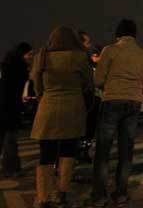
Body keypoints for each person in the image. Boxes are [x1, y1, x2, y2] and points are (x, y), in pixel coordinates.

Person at [88, 19, 143, 207]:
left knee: (103, 150)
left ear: (118, 34)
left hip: (112, 101)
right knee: (126, 151)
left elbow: (98, 80)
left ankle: (99, 196)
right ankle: (121, 194)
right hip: (133, 104)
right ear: (135, 34)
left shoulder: (110, 50)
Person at [30, 27, 93, 208]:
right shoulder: (79, 57)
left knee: (46, 155)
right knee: (68, 152)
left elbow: (37, 88)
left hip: (47, 108)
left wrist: (46, 98)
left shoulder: (41, 57)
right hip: (72, 109)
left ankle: (43, 197)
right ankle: (62, 193)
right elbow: (89, 85)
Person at [0, 42, 33, 177]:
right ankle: (11, 169)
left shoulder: (6, 66)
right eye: (29, 54)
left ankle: (12, 167)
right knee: (10, 140)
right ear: (22, 54)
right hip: (9, 107)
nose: (31, 57)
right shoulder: (19, 69)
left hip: (4, 105)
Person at [77, 31, 102, 164]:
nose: (89, 45)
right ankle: (81, 153)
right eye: (87, 42)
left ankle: (83, 152)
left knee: (88, 131)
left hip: (90, 100)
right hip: (87, 100)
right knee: (85, 130)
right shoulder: (85, 63)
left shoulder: (87, 62)